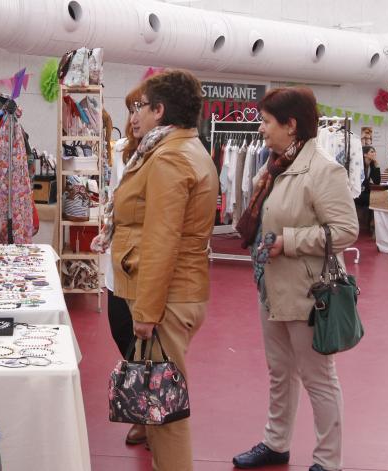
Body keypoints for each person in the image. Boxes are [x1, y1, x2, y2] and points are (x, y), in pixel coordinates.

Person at [233, 87, 359, 471]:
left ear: (291, 125)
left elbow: (346, 230)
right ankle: (276, 443)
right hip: (271, 286)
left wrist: (289, 242)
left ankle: (327, 461)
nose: (261, 128)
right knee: (279, 370)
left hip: (309, 292)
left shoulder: (323, 170)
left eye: (267, 121)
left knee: (318, 377)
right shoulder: (274, 165)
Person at [107, 69, 219, 471]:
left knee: (167, 412)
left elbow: (162, 238)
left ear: (160, 110)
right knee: (157, 401)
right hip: (174, 292)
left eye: (141, 106)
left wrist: (147, 313)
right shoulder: (175, 149)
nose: (135, 114)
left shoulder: (171, 156)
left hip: (169, 297)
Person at [94, 86, 149, 447]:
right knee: (120, 329)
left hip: (145, 263)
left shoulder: (163, 156)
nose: (133, 117)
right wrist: (107, 229)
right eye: (130, 109)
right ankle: (145, 402)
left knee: (150, 342)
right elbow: (115, 200)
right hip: (118, 260)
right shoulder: (121, 150)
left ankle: (148, 412)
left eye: (140, 108)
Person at [354, 146, 381, 233]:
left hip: (365, 193)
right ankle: (372, 226)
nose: (374, 154)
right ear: (365, 154)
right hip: (357, 193)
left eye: (374, 152)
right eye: (372, 152)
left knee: (377, 199)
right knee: (376, 200)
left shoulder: (372, 165)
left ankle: (373, 226)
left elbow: (377, 182)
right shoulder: (358, 165)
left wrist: (377, 167)